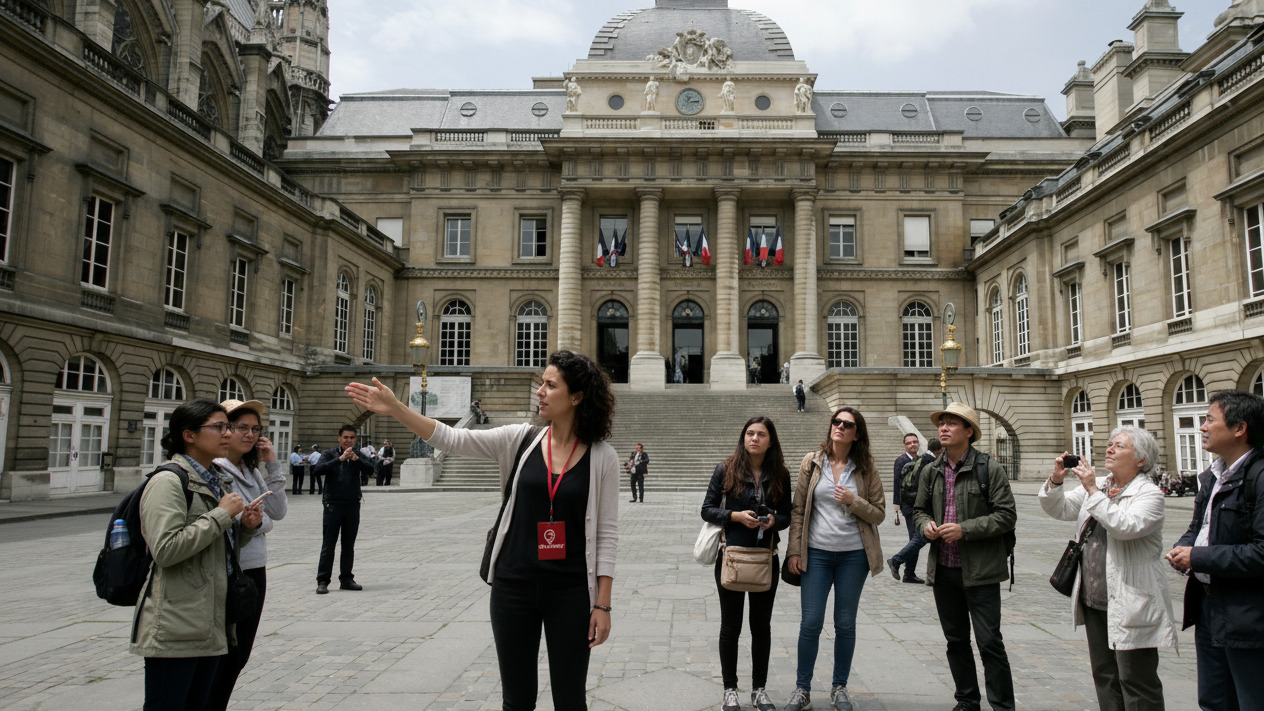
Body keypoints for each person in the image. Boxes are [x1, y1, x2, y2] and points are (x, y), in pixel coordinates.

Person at [346, 350, 618, 711]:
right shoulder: (520, 439)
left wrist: (602, 603)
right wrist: (397, 408)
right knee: (517, 700)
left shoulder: (603, 457)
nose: (540, 390)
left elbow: (607, 537)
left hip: (569, 593)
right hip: (513, 587)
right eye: (542, 382)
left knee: (571, 700)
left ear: (577, 397)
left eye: (551, 385)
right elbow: (451, 439)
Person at [130, 399, 262, 711]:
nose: (227, 433)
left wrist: (243, 528)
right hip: (177, 621)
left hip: (209, 618)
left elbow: (214, 548)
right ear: (189, 435)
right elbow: (166, 549)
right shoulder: (168, 481)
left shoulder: (214, 478)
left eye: (227, 427)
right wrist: (220, 516)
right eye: (219, 427)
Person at [1040, 426, 1175, 711]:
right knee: (1104, 675)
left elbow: (1125, 526)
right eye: (1110, 444)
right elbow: (1060, 509)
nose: (1110, 449)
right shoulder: (1101, 484)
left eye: (1119, 446)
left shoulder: (1149, 495)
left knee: (1136, 679)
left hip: (1131, 600)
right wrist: (1056, 481)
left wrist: (1091, 490)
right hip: (1094, 597)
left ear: (1141, 459)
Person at [913, 402, 1017, 711]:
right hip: (944, 569)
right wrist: (925, 526)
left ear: (969, 432)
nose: (943, 428)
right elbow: (918, 511)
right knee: (956, 641)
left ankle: (1002, 706)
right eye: (941, 423)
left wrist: (965, 530)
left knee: (989, 643)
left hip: (981, 570)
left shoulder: (988, 468)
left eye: (951, 424)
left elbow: (1006, 515)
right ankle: (967, 700)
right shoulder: (930, 470)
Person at [1166, 390, 1264, 711]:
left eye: (1210, 419)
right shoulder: (1212, 476)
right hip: (1209, 607)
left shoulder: (1259, 476)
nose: (1202, 427)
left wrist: (1198, 557)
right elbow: (1199, 528)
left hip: (1249, 617)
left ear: (1240, 429)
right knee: (1214, 701)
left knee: (1251, 701)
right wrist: (1184, 547)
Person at [783, 407, 886, 711]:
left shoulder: (866, 467)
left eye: (847, 424)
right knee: (811, 622)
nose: (839, 426)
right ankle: (802, 690)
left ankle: (839, 687)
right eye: (836, 422)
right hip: (816, 553)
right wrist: (794, 551)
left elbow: (879, 513)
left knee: (845, 623)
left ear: (857, 433)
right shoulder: (812, 462)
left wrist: (854, 501)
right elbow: (799, 509)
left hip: (854, 556)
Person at [701, 416, 792, 711]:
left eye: (761, 434)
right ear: (743, 438)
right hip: (732, 557)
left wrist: (771, 520)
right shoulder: (725, 469)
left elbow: (787, 516)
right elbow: (707, 510)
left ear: (770, 440)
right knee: (731, 626)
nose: (754, 438)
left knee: (761, 627)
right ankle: (730, 689)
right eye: (750, 433)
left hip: (766, 557)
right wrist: (735, 517)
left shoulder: (780, 474)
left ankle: (759, 690)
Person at [207, 399, 289, 711]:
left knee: (238, 657)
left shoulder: (249, 469)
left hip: (255, 568)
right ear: (225, 430)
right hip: (231, 570)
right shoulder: (217, 469)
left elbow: (277, 513)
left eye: (255, 429)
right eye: (243, 427)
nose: (251, 435)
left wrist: (272, 464)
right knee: (226, 655)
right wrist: (256, 521)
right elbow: (245, 521)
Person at [313, 425, 373, 594]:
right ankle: (323, 580)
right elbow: (317, 470)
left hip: (352, 504)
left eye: (352, 438)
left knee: (348, 544)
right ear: (339, 438)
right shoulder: (329, 454)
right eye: (346, 437)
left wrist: (357, 460)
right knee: (329, 544)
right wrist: (339, 459)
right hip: (332, 504)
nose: (348, 441)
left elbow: (371, 469)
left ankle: (346, 578)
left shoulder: (357, 454)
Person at [889, 438, 939, 584]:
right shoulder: (901, 460)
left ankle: (908, 573)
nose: (913, 445)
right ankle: (901, 565)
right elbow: (897, 483)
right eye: (909, 443)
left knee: (916, 538)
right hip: (910, 506)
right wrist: (896, 505)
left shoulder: (920, 458)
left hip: (917, 505)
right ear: (904, 445)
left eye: (915, 442)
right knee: (918, 538)